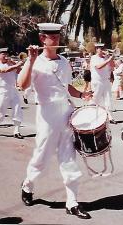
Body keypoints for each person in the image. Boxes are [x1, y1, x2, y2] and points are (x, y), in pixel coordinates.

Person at [17, 23, 92, 219]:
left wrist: (82, 94)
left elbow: (67, 87)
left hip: (66, 112)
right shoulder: (35, 61)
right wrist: (31, 61)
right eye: (52, 37)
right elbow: (21, 84)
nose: (57, 40)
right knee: (42, 155)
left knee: (69, 157)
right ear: (42, 39)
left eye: (58, 36)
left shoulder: (65, 62)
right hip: (47, 115)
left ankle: (72, 202)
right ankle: (28, 184)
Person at [0, 48, 24, 139]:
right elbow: (5, 70)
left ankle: (17, 130)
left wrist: (15, 63)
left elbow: (20, 71)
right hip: (3, 91)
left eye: (6, 54)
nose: (5, 56)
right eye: (3, 54)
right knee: (1, 111)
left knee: (17, 109)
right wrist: (16, 65)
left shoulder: (11, 64)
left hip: (13, 89)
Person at [90, 43, 116, 124]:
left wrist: (110, 58)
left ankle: (110, 117)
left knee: (108, 100)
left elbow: (113, 66)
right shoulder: (94, 58)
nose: (102, 50)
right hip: (97, 82)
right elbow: (98, 66)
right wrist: (108, 60)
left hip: (106, 81)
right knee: (95, 100)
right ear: (96, 49)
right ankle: (91, 115)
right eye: (100, 48)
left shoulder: (106, 58)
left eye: (103, 48)